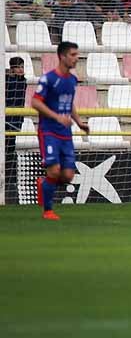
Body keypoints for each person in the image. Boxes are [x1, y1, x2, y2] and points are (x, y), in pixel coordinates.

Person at [30, 42, 88, 220]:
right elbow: (35, 102)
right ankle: (48, 211)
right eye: (73, 55)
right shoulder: (48, 79)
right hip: (48, 131)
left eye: (77, 54)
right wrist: (56, 117)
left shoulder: (71, 80)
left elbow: (69, 103)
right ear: (62, 56)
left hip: (65, 133)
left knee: (68, 176)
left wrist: (79, 122)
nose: (76, 58)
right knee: (54, 171)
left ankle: (44, 183)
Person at [5, 55, 26, 189]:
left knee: (10, 149)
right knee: (6, 149)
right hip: (7, 120)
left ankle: (9, 180)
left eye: (23, 67)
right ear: (13, 69)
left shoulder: (22, 82)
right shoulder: (8, 81)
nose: (22, 70)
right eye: (19, 67)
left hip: (14, 121)